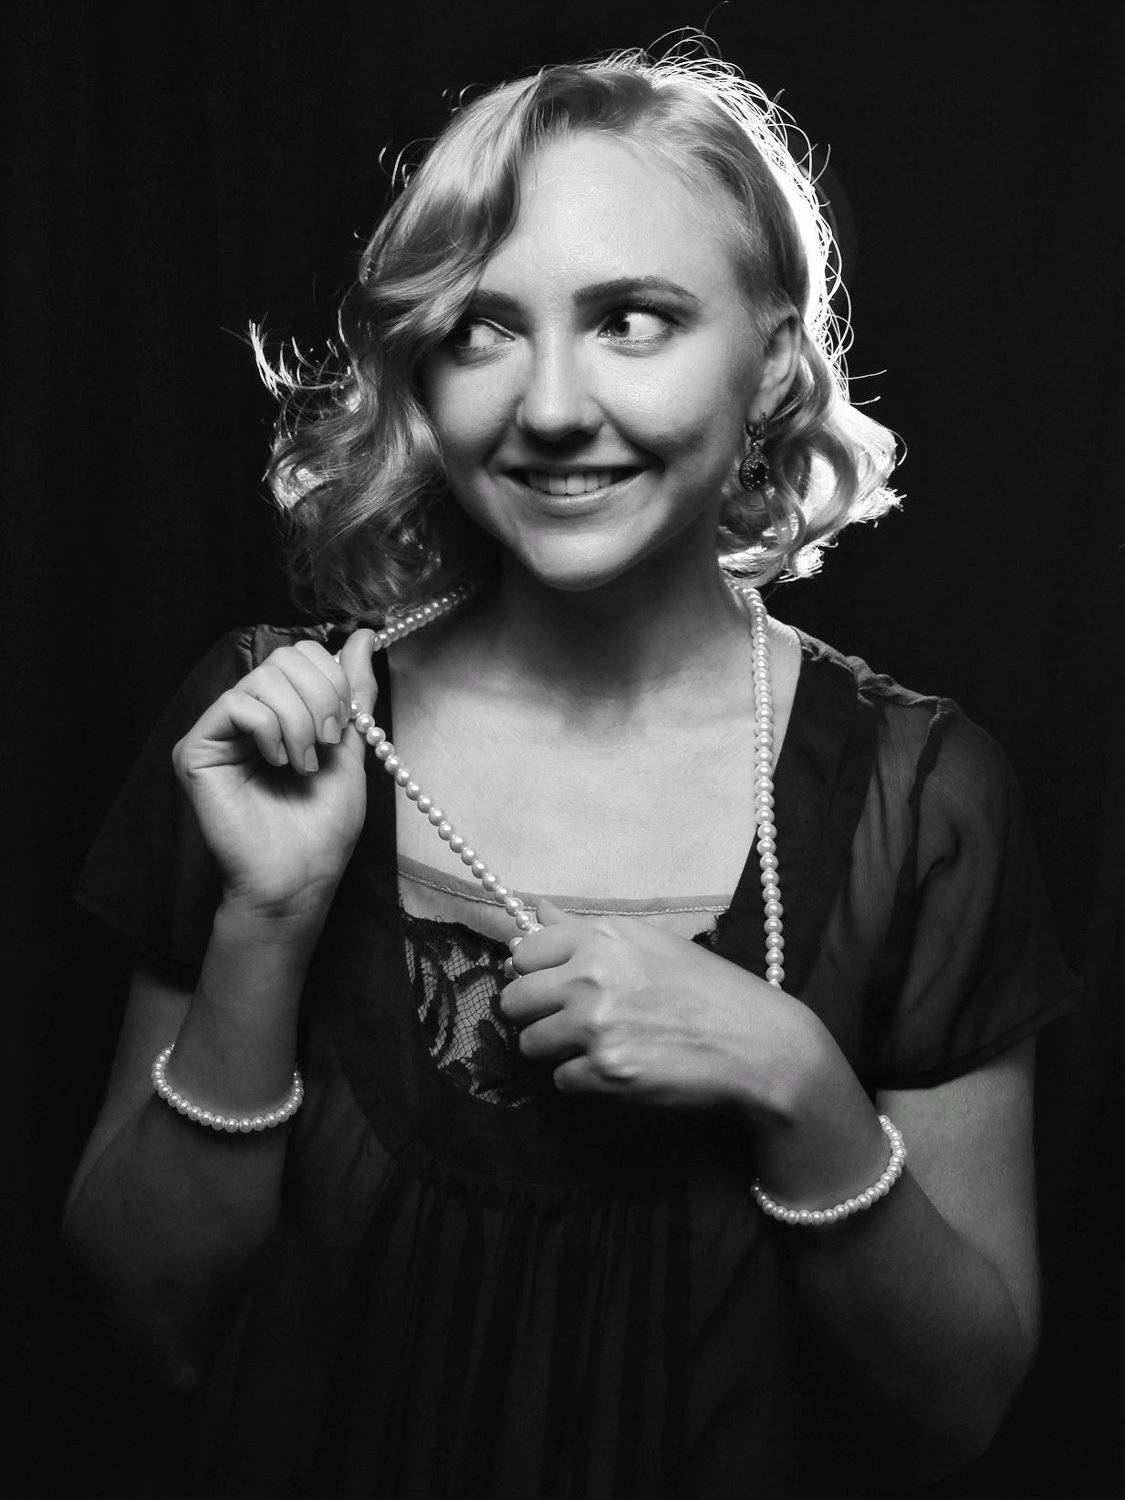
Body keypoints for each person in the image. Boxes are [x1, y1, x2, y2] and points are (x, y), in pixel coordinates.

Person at [64, 44, 1078, 1499]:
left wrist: (798, 1085)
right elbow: (150, 1327)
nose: (547, 405)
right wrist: (264, 923)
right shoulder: (267, 725)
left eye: (631, 320)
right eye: (481, 328)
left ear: (772, 359)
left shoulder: (921, 802)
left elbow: (955, 1417)